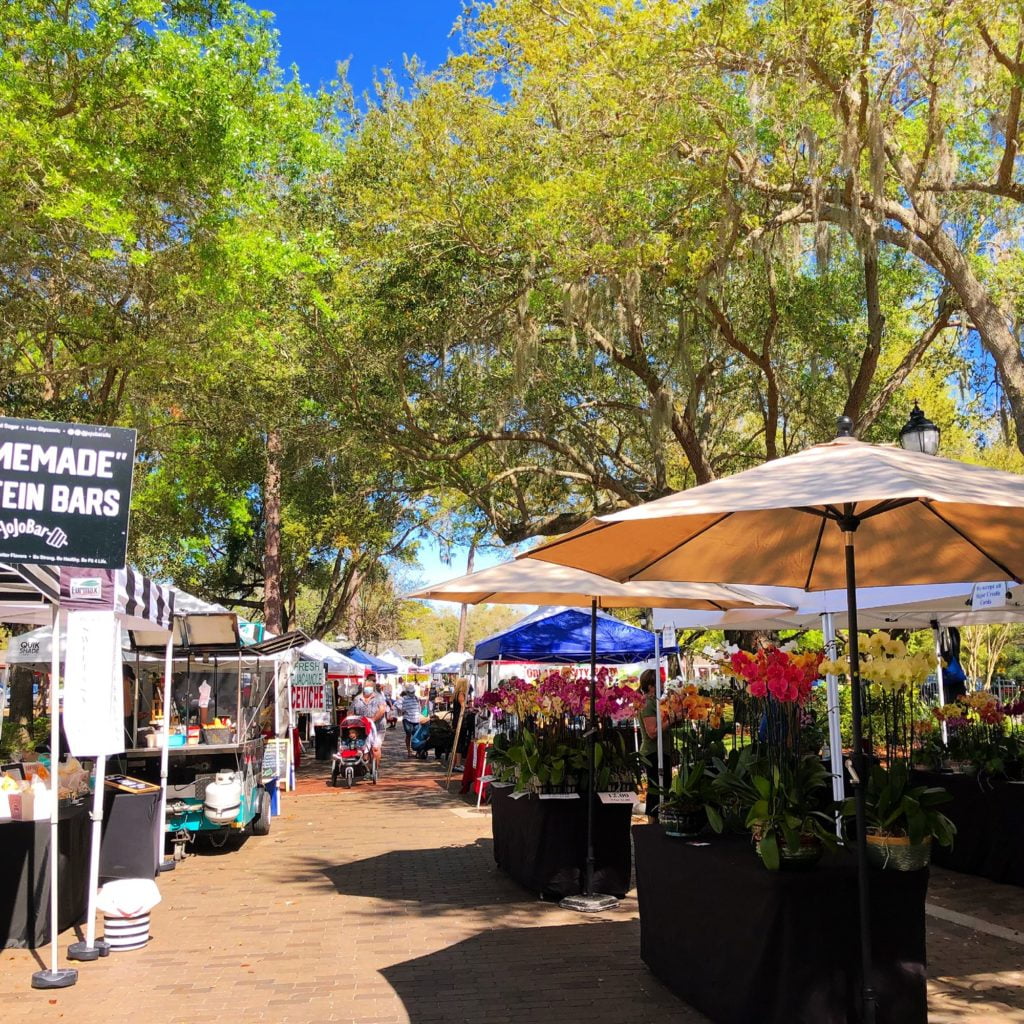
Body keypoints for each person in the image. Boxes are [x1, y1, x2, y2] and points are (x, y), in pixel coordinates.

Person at [639, 668, 670, 818]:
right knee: (656, 790)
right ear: (651, 686)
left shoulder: (656, 702)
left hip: (662, 751)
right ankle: (652, 825)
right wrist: (671, 719)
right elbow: (652, 732)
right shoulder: (647, 703)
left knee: (664, 787)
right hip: (653, 753)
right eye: (660, 682)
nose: (663, 685)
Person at [350, 682, 388, 768]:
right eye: (366, 686)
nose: (367, 688)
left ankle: (375, 769)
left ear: (373, 688)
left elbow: (382, 710)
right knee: (364, 748)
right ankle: (366, 767)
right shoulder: (357, 699)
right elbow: (351, 712)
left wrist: (372, 719)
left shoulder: (379, 697)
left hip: (377, 727)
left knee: (375, 748)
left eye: (370, 687)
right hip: (362, 728)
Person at [399, 683, 423, 757]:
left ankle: (418, 750)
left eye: (413, 692)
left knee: (416, 736)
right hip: (408, 719)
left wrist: (420, 715)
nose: (412, 693)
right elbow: (398, 705)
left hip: (416, 719)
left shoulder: (416, 698)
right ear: (407, 692)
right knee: (408, 735)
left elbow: (419, 707)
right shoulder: (404, 698)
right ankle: (409, 751)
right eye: (411, 692)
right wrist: (403, 710)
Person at [122, 664, 136, 749]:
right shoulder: (124, 684)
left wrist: (135, 715)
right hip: (124, 723)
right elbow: (126, 712)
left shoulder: (125, 684)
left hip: (127, 719)